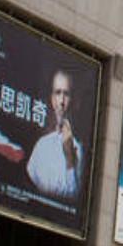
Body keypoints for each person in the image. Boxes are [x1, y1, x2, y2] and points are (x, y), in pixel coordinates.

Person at [27, 70, 82, 200]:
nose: (62, 101)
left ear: (74, 100)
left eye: (66, 94)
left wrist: (69, 159)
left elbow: (73, 196)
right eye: (58, 93)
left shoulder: (80, 149)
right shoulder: (41, 145)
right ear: (52, 99)